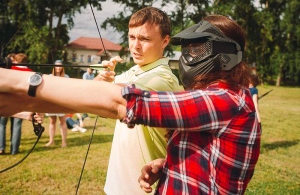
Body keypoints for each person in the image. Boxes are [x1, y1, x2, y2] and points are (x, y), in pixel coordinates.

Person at [0, 14, 261, 194]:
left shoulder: (227, 100)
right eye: (188, 50)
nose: (188, 57)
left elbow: (119, 102)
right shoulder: (218, 99)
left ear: (226, 57)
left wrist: (18, 81)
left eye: (198, 50)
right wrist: (169, 164)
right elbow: (208, 157)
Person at [96, 7, 181, 195]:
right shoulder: (136, 71)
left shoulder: (162, 79)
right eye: (132, 37)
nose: (135, 46)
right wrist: (100, 79)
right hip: (118, 184)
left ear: (165, 41)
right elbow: (97, 101)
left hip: (144, 188)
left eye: (145, 39)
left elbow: (107, 99)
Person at [0, 53, 32, 155]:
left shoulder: (10, 70)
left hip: (7, 101)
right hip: (21, 103)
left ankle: (1, 148)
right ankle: (14, 150)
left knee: (2, 125)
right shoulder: (30, 72)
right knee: (17, 126)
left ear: (16, 60)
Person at [45, 60, 69, 147]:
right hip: (52, 102)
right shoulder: (50, 77)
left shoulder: (66, 77)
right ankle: (51, 140)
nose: (58, 68)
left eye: (60, 66)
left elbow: (69, 90)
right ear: (54, 67)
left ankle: (64, 141)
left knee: (62, 121)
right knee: (52, 122)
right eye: (57, 66)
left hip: (61, 102)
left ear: (62, 67)